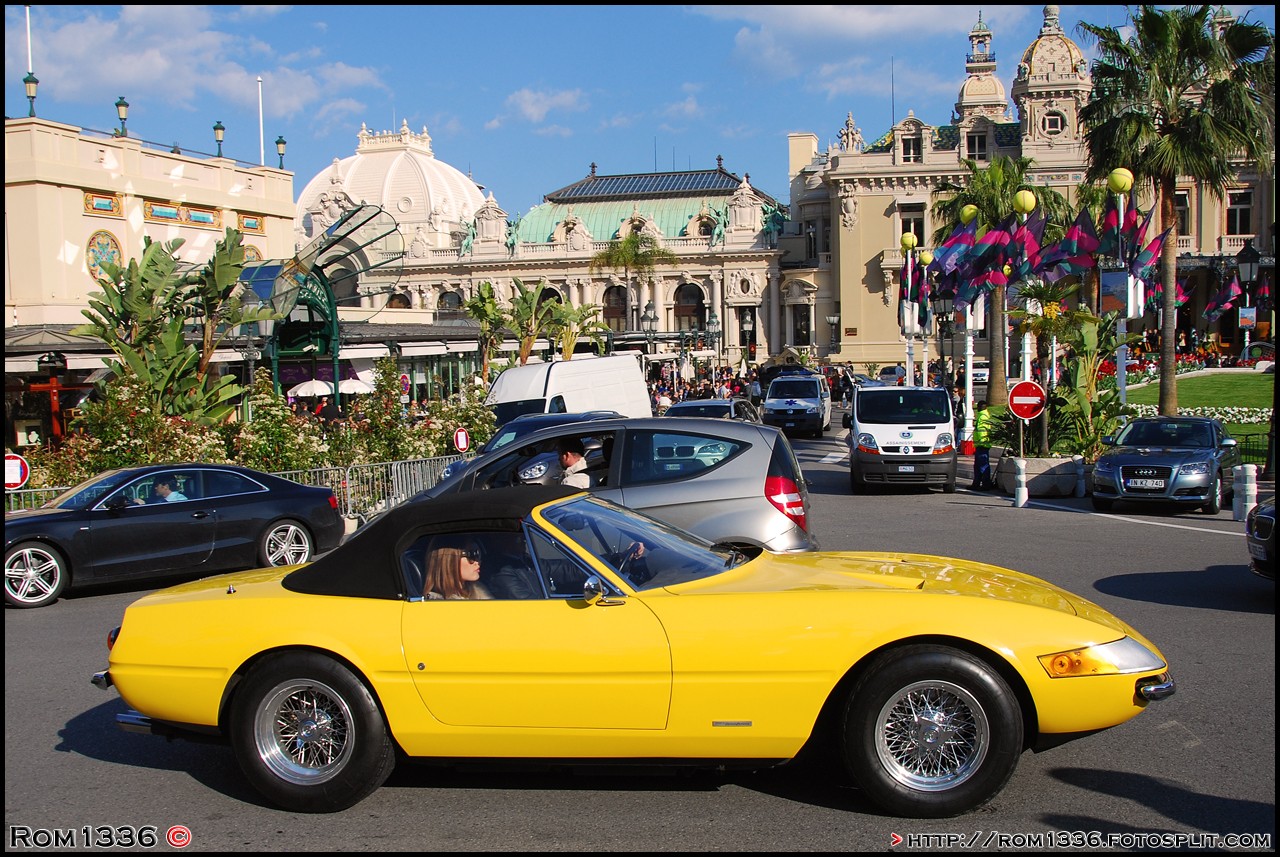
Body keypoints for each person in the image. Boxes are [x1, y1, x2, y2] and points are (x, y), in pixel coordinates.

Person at [422, 538, 491, 600]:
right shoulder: (434, 604)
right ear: (450, 561)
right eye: (471, 554)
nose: (477, 562)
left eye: (478, 553)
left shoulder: (478, 592)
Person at [970, 400, 995, 491]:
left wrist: (981, 442)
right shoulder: (984, 415)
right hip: (982, 444)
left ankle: (985, 484)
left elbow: (982, 431)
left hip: (982, 445)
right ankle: (977, 484)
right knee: (979, 465)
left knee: (982, 466)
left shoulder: (982, 417)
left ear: (980, 407)